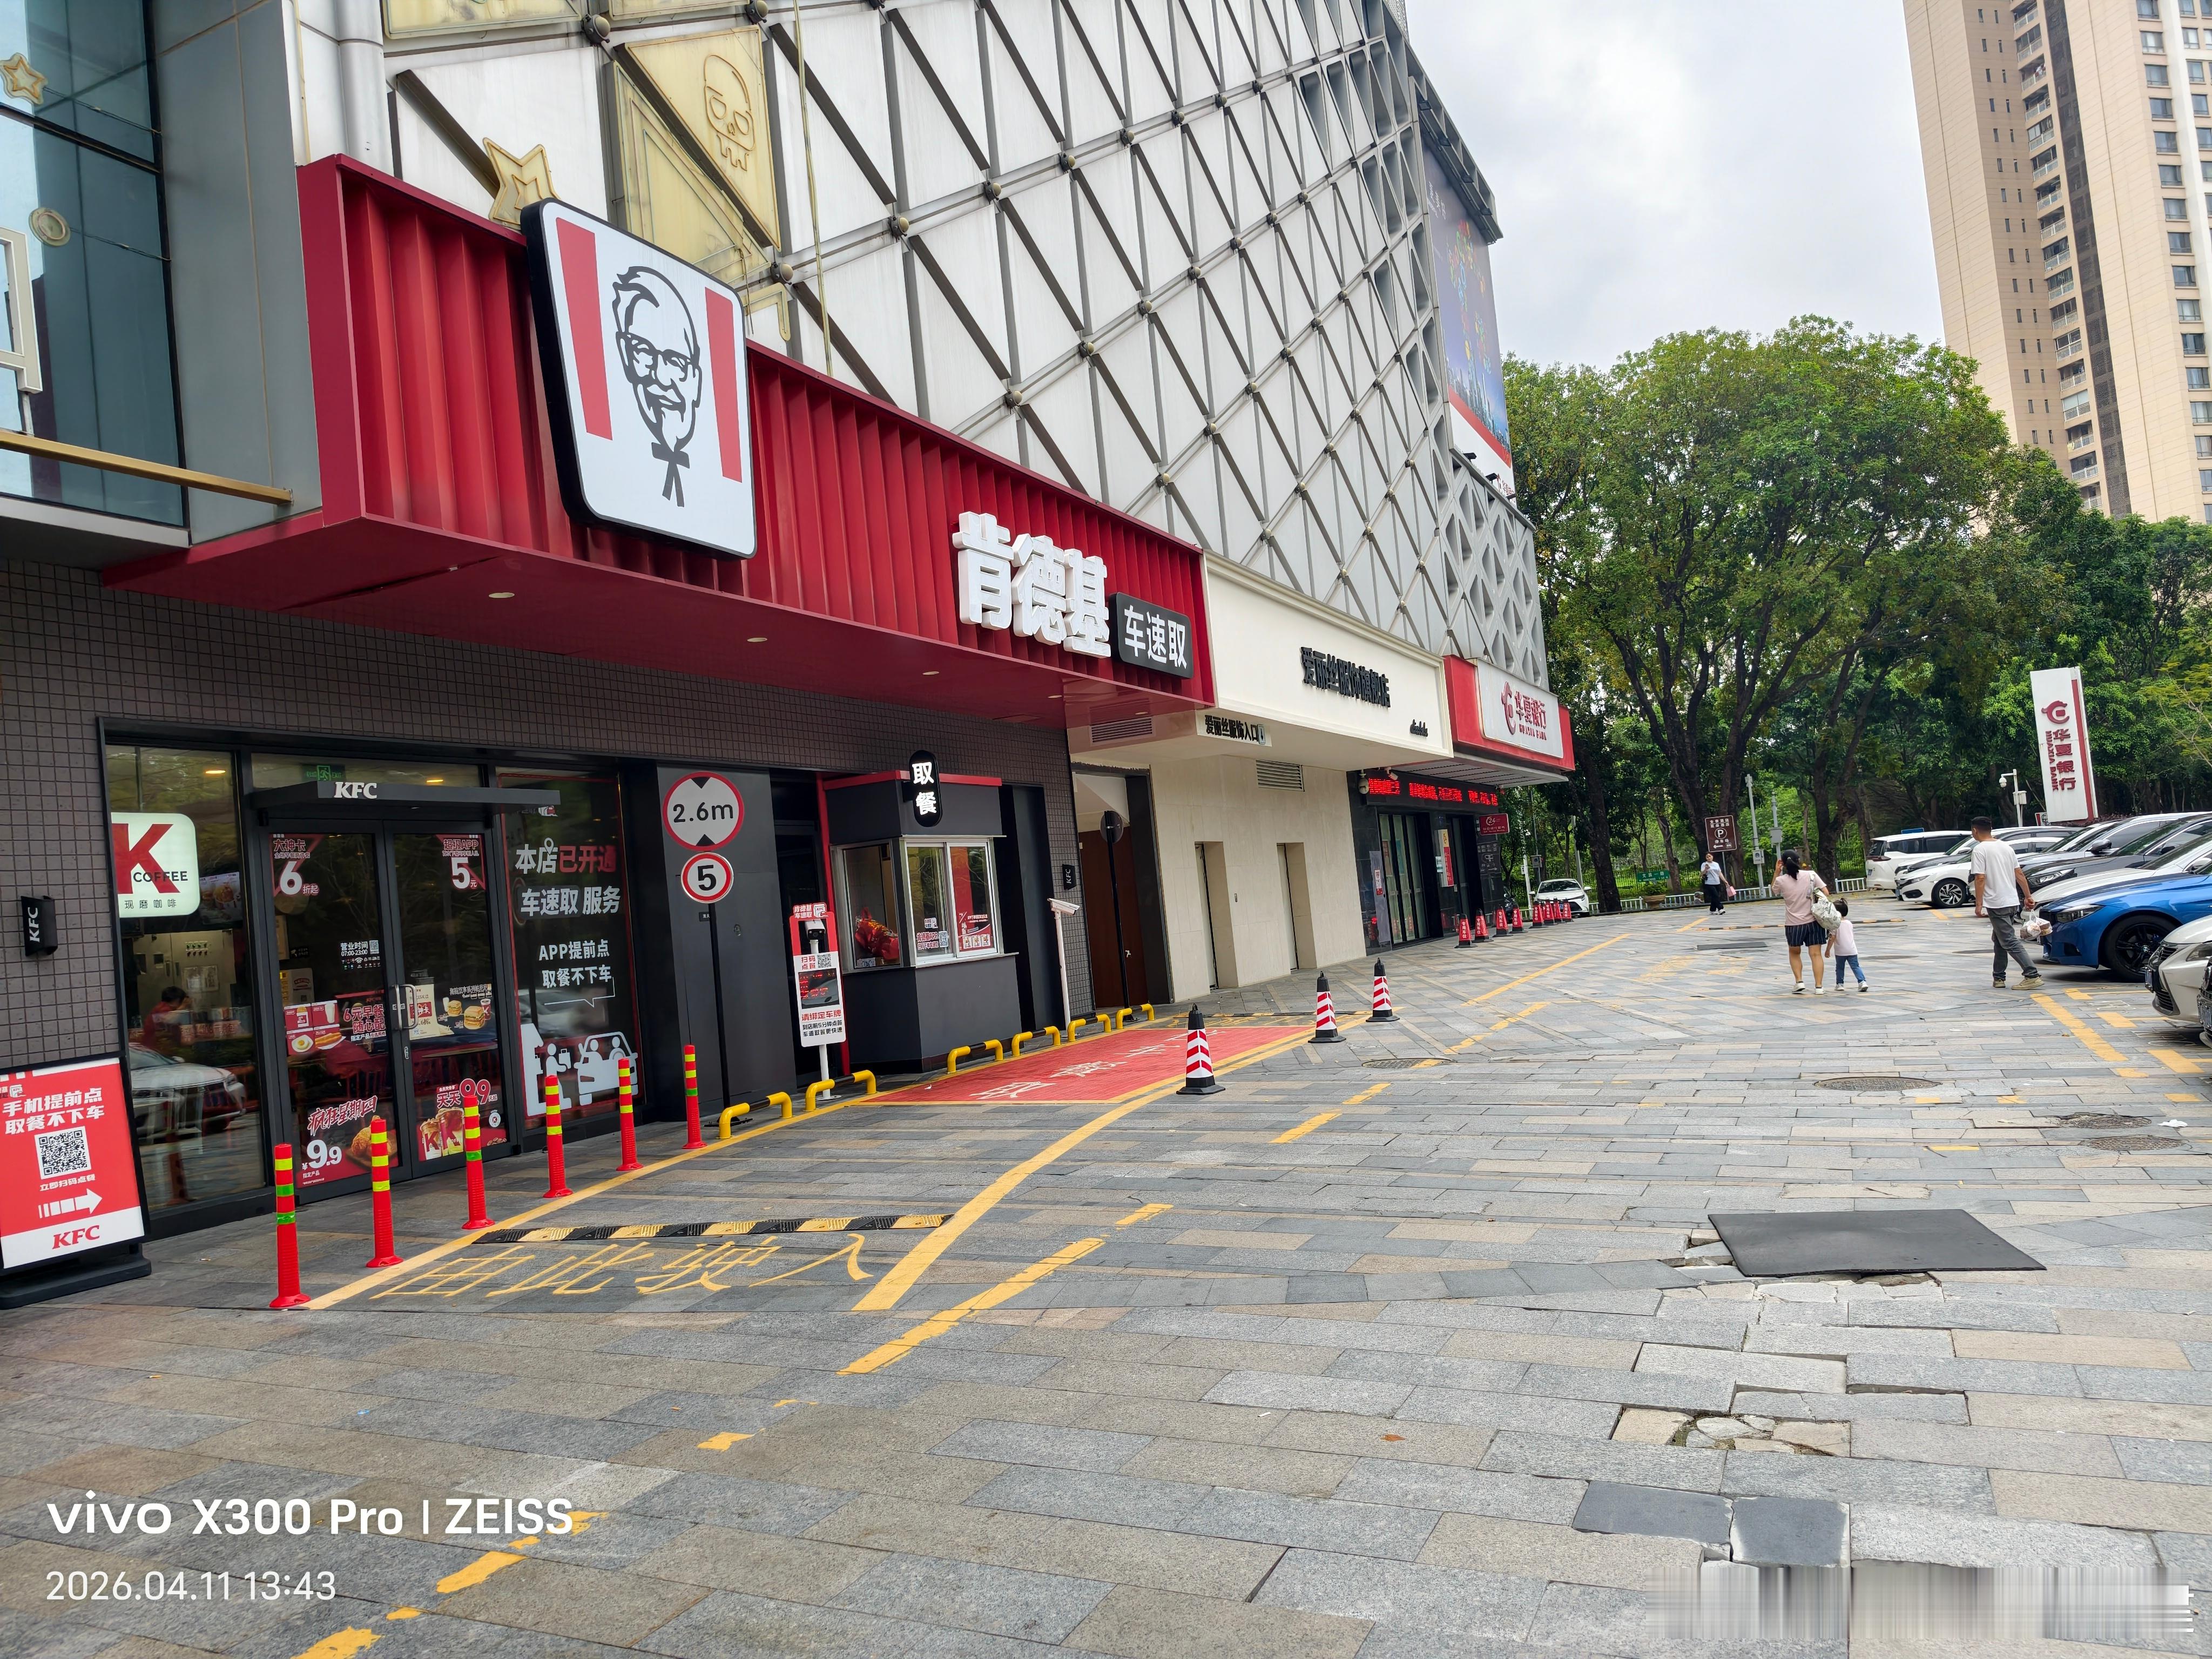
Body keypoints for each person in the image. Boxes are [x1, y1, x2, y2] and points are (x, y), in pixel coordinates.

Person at [1970, 816, 2042, 988]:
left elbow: (1980, 878)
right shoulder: (2005, 847)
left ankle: (2032, 975)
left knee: (2008, 940)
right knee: (2000, 939)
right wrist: (2028, 896)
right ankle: (1999, 977)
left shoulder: (1980, 850)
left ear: (1974, 831)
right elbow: (2019, 874)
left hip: (1997, 903)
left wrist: (1979, 904)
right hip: (2011, 901)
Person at [1772, 851, 1830, 994]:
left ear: (1783, 864)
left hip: (1793, 924)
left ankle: (1799, 982)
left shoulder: (1781, 880)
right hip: (1813, 922)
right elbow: (1826, 893)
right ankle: (1819, 987)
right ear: (1799, 861)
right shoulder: (1811, 875)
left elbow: (1774, 891)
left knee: (1794, 952)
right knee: (1816, 954)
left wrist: (1776, 872)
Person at [1827, 899, 1868, 993]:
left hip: (1840, 951)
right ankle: (1862, 982)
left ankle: (1840, 984)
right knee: (1856, 966)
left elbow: (1832, 938)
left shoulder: (1834, 925)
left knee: (1840, 968)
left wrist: (1828, 950)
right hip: (1852, 950)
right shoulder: (1849, 923)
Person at [1698, 849, 1727, 914]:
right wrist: (1706, 869)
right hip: (1709, 883)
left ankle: (1712, 910)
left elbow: (1720, 873)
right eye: (1707, 857)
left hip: (1717, 882)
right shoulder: (1704, 864)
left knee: (1715, 897)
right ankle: (1720, 909)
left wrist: (1725, 881)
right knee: (1715, 895)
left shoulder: (1716, 864)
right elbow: (1702, 874)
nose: (1709, 858)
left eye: (1710, 856)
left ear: (1712, 856)